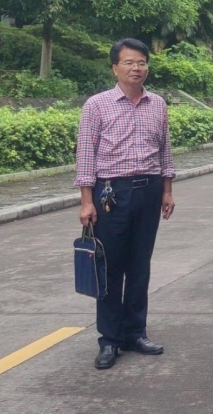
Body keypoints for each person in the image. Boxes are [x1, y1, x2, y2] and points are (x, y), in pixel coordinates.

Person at [75, 38, 176, 370]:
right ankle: (109, 339)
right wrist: (86, 201)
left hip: (149, 190)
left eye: (142, 62)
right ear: (115, 68)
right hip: (111, 194)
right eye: (130, 62)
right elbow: (85, 155)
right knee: (110, 268)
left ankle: (135, 333)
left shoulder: (157, 104)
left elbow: (165, 151)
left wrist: (167, 190)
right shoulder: (97, 105)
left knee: (140, 266)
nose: (137, 68)